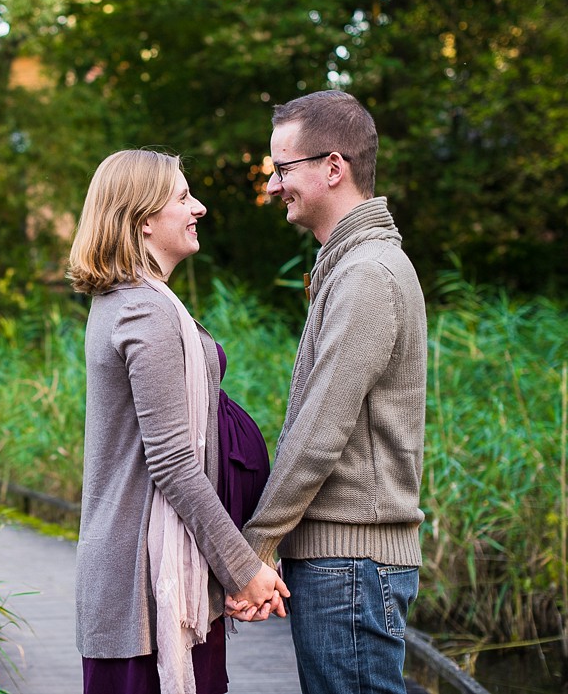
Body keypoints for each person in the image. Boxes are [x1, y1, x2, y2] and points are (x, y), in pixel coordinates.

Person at [68, 148, 288, 694]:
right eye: (184, 197)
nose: (201, 207)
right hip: (143, 592)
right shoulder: (145, 310)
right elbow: (172, 464)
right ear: (144, 220)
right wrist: (245, 568)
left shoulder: (127, 302)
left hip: (137, 578)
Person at [236, 90, 428, 694]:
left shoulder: (367, 274)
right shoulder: (350, 267)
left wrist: (256, 543)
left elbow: (320, 431)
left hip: (351, 565)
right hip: (345, 563)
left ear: (333, 167)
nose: (272, 186)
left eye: (283, 168)